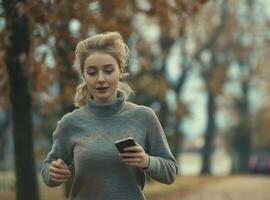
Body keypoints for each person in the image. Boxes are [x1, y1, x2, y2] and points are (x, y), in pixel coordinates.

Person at [41, 32, 178, 200]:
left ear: (120, 70)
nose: (100, 79)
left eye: (108, 70)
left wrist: (146, 161)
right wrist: (53, 173)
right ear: (83, 75)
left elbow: (170, 171)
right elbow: (48, 169)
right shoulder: (70, 123)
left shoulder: (144, 117)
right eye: (92, 72)